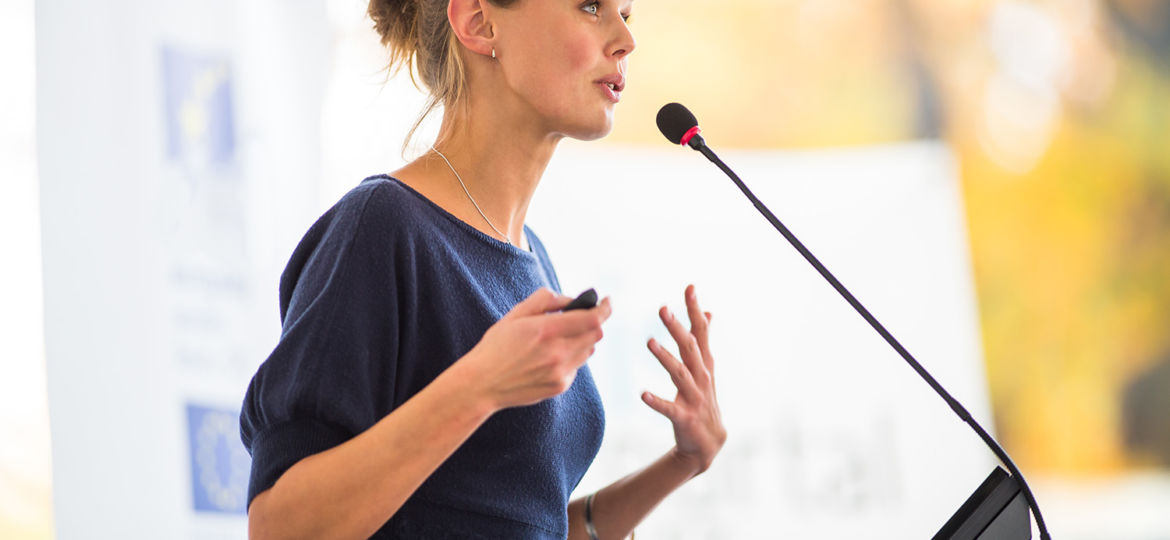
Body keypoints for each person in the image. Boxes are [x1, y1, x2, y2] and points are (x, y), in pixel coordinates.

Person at [239, 0, 727, 538]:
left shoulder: (533, 256)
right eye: (590, 7)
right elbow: (278, 527)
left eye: (626, 13)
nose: (625, 40)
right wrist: (479, 387)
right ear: (479, 22)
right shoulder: (382, 228)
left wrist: (681, 463)